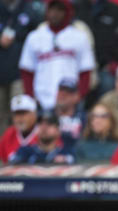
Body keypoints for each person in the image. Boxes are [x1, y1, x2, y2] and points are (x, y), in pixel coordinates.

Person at [18, 0, 95, 111]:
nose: (55, 13)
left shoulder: (79, 36)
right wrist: (31, 97)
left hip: (70, 100)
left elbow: (85, 70)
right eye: (52, 9)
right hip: (41, 98)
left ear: (67, 12)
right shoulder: (34, 36)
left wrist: (79, 96)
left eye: (60, 10)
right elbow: (27, 70)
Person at [0, 0, 41, 134]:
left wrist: (17, 36)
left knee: (20, 112)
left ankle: (19, 146)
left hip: (20, 72)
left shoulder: (30, 9)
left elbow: (38, 37)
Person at [10, 115, 75, 164]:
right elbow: (11, 163)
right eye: (40, 124)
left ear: (58, 131)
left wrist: (65, 162)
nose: (44, 127)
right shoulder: (24, 151)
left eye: (49, 124)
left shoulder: (67, 152)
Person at [0, 94, 38, 163]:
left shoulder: (44, 133)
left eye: (23, 113)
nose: (20, 118)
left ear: (34, 114)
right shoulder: (9, 134)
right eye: (16, 114)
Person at [54, 78, 86, 150]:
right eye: (61, 90)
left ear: (77, 97)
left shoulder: (84, 118)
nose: (63, 94)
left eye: (68, 92)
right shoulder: (46, 116)